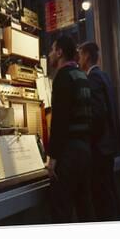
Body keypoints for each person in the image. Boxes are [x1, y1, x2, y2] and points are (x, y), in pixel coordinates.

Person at [46, 35, 94, 223]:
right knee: (84, 205)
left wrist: (52, 158)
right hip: (84, 149)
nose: (49, 54)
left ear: (59, 52)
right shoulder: (82, 75)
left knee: (61, 210)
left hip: (68, 153)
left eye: (52, 50)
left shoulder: (62, 77)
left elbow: (60, 121)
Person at [78, 41, 120, 221]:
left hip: (99, 147)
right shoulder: (104, 76)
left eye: (80, 54)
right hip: (109, 144)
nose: (79, 59)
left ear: (87, 56)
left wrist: (89, 140)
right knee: (110, 188)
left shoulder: (92, 79)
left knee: (101, 195)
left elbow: (98, 113)